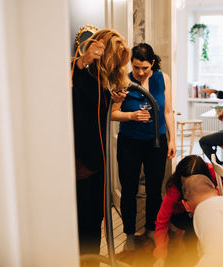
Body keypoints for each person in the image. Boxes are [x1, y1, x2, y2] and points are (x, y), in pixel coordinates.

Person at [111, 43, 176, 251]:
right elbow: (113, 114)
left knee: (154, 188)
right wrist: (131, 116)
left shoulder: (162, 78)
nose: (139, 72)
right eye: (136, 67)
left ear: (153, 64)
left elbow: (167, 112)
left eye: (144, 68)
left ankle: (150, 230)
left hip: (156, 141)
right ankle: (129, 233)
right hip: (129, 141)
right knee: (128, 188)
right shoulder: (122, 80)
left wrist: (172, 140)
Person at [72, 29, 130, 255]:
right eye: (115, 61)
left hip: (97, 163)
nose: (117, 67)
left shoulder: (103, 84)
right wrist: (82, 60)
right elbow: (63, 77)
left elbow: (103, 118)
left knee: (94, 219)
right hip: (81, 164)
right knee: (83, 223)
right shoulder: (80, 75)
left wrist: (114, 102)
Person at [153, 155, 216, 267]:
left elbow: (219, 203)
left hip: (203, 211)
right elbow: (162, 221)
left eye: (192, 187)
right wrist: (160, 254)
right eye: (184, 185)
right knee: (191, 235)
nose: (187, 190)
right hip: (180, 216)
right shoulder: (174, 189)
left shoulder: (212, 173)